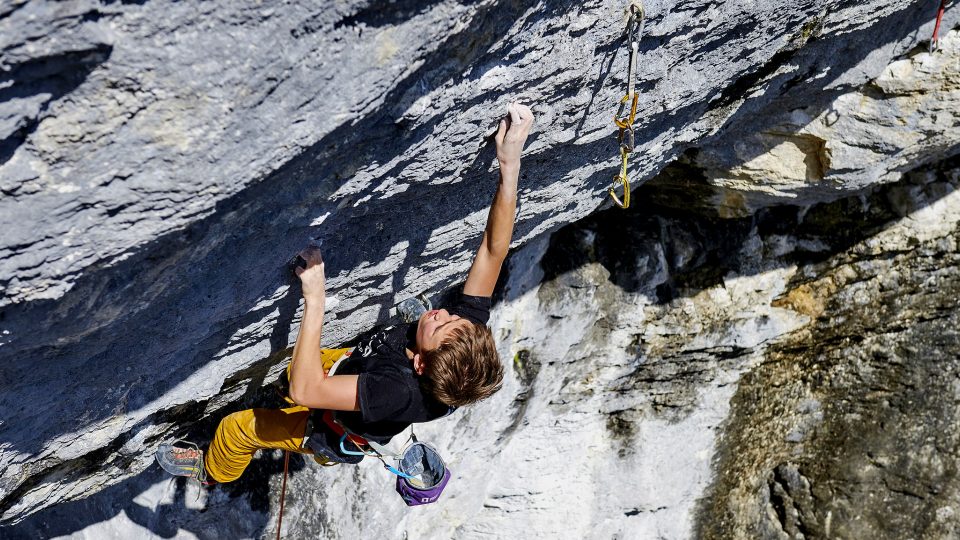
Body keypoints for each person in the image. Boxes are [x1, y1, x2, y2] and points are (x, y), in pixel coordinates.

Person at [157, 102, 535, 483]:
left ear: (420, 365)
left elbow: (307, 390)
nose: (445, 313)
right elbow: (493, 249)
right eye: (452, 317)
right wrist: (510, 164)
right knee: (302, 369)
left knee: (239, 429)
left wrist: (316, 298)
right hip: (357, 366)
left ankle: (210, 470)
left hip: (330, 427)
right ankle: (306, 383)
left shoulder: (395, 392)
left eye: (438, 326)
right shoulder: (461, 338)